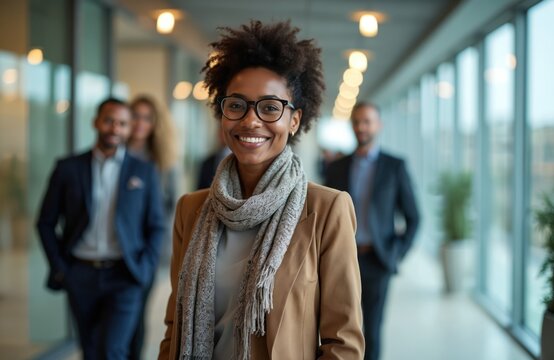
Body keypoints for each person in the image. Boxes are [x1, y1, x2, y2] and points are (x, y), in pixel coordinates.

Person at [159, 20, 364, 360]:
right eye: (237, 105)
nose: (251, 121)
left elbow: (344, 343)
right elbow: (174, 324)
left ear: (294, 120)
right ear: (222, 112)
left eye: (270, 107)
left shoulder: (327, 209)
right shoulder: (190, 209)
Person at [36, 98, 166, 359]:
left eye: (122, 123)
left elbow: (156, 225)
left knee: (113, 350)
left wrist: (145, 266)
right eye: (109, 121)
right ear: (96, 122)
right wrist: (61, 268)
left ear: (129, 129)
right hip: (80, 273)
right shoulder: (68, 168)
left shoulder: (144, 170)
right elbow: (46, 222)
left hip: (125, 274)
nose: (114, 128)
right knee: (91, 350)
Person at [325, 102, 420, 360]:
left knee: (373, 330)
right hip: (343, 259)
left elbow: (414, 218)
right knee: (339, 328)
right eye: (356, 122)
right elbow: (324, 215)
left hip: (378, 258)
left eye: (367, 121)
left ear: (379, 125)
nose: (361, 127)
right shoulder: (336, 167)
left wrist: (396, 253)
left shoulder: (395, 166)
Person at [128, 95, 179, 359]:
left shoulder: (164, 162)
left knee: (136, 315)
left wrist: (156, 252)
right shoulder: (116, 152)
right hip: (115, 247)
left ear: (155, 124)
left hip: (145, 251)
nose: (139, 123)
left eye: (146, 118)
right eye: (135, 115)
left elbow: (171, 209)